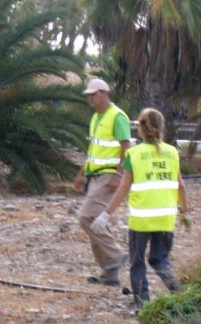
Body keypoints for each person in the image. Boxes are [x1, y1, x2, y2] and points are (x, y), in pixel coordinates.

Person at [91, 108, 189, 309]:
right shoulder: (172, 153)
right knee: (160, 259)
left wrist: (105, 214)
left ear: (140, 129)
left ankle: (142, 305)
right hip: (165, 218)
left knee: (137, 263)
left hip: (141, 220)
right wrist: (184, 212)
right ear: (161, 127)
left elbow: (124, 187)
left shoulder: (134, 154)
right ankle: (178, 293)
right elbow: (180, 185)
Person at [72, 77, 132, 287]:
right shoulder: (96, 118)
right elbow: (93, 151)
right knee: (94, 223)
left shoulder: (117, 117)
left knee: (85, 217)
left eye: (93, 94)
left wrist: (119, 174)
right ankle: (110, 273)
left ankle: (115, 255)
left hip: (108, 177)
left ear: (104, 93)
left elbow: (126, 146)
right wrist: (82, 173)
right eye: (88, 95)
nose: (90, 98)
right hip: (96, 177)